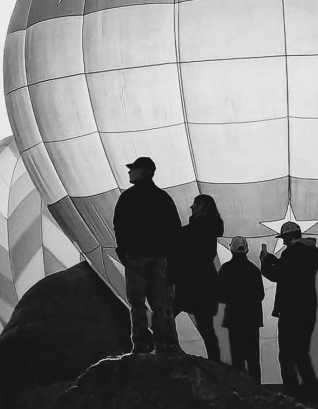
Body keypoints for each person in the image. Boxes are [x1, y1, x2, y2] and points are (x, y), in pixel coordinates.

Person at [113, 156, 182, 354]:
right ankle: (163, 343)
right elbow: (174, 230)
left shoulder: (128, 198)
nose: (129, 172)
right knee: (160, 304)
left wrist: (124, 252)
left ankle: (141, 343)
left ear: (143, 170)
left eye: (133, 169)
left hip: (136, 258)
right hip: (159, 258)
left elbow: (119, 226)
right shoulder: (163, 198)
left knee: (137, 303)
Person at [259, 221, 318, 398]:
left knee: (286, 356)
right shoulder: (310, 254)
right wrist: (274, 261)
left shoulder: (291, 254)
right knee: (302, 353)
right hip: (308, 309)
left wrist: (265, 262)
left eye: (284, 238)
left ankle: (293, 393)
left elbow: (279, 274)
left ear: (289, 236)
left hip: (291, 310)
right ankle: (312, 392)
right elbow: (291, 271)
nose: (283, 241)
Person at [171, 195, 224, 361]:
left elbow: (183, 241)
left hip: (193, 283)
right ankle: (216, 363)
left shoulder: (200, 228)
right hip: (203, 284)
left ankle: (157, 347)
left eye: (194, 204)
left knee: (166, 314)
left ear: (202, 207)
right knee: (207, 328)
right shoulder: (209, 227)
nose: (191, 207)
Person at [218, 236, 264, 382]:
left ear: (231, 249)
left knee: (237, 360)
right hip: (252, 320)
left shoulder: (226, 269)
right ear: (246, 249)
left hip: (234, 319)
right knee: (253, 360)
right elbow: (260, 295)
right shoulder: (254, 270)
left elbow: (220, 295)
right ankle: (257, 392)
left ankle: (241, 392)